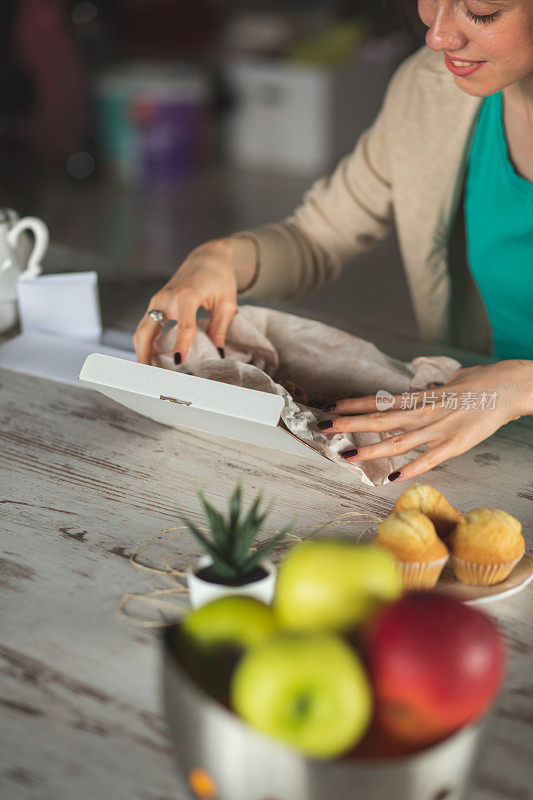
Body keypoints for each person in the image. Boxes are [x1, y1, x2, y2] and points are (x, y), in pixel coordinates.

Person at [133, 0, 533, 483]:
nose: (438, 36)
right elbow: (315, 237)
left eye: (481, 10)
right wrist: (219, 258)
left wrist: (521, 386)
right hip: (474, 438)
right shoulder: (432, 89)